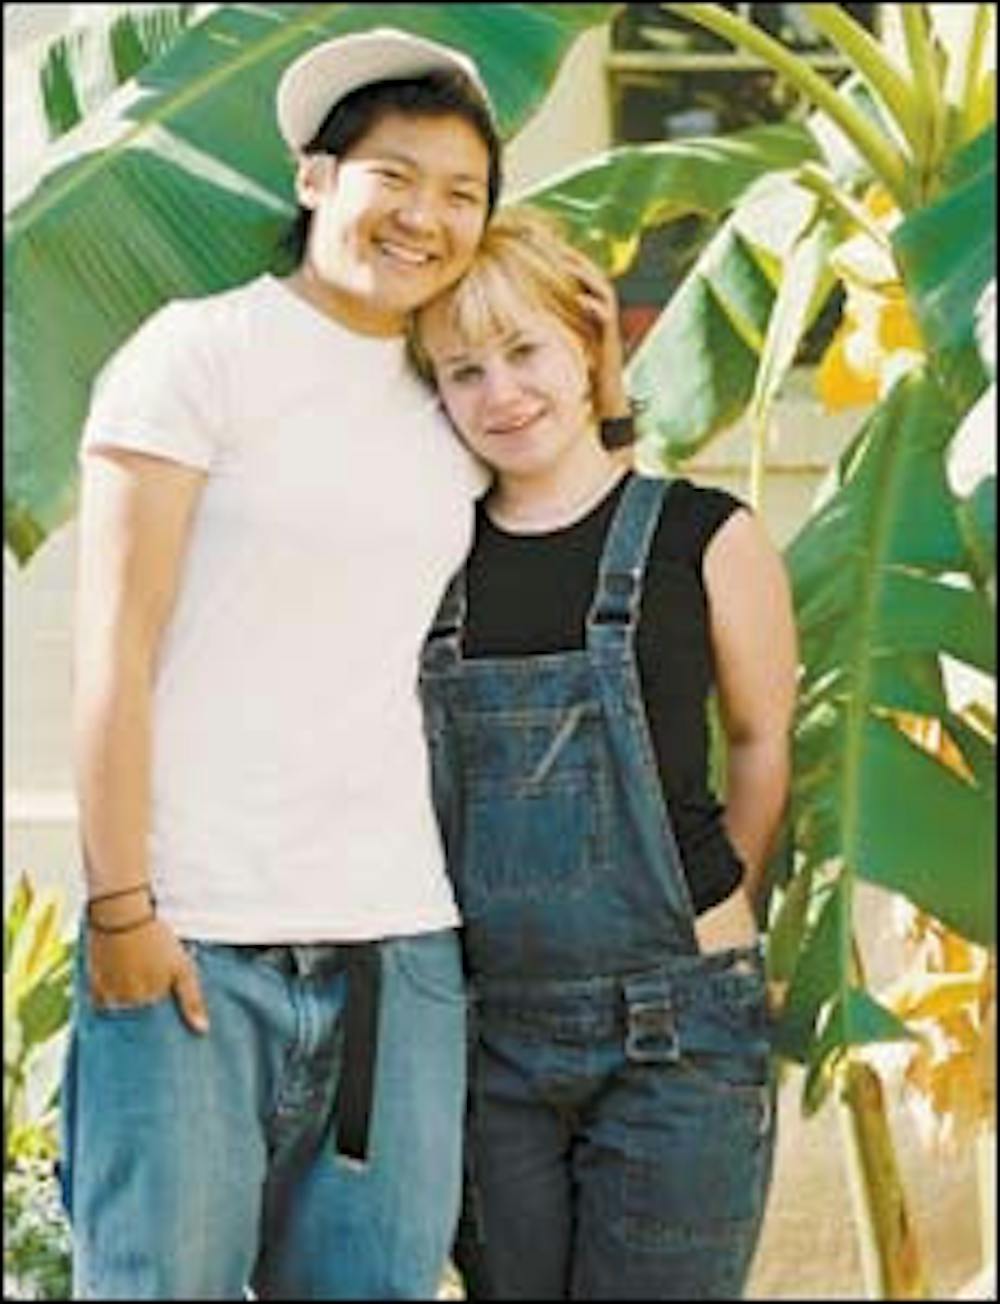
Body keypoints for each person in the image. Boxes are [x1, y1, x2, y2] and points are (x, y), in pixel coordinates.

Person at [61, 28, 505, 1300]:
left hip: (395, 948)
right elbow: (114, 643)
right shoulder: (197, 353)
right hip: (191, 935)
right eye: (393, 176)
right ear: (316, 178)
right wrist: (122, 909)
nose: (424, 216)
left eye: (462, 192)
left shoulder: (458, 399)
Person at [411, 207, 799, 1300]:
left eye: (523, 350)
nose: (501, 392)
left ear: (587, 345)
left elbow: (762, 744)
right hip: (488, 1038)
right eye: (463, 371)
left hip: (678, 1033)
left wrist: (714, 911)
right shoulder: (426, 560)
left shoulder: (706, 534)